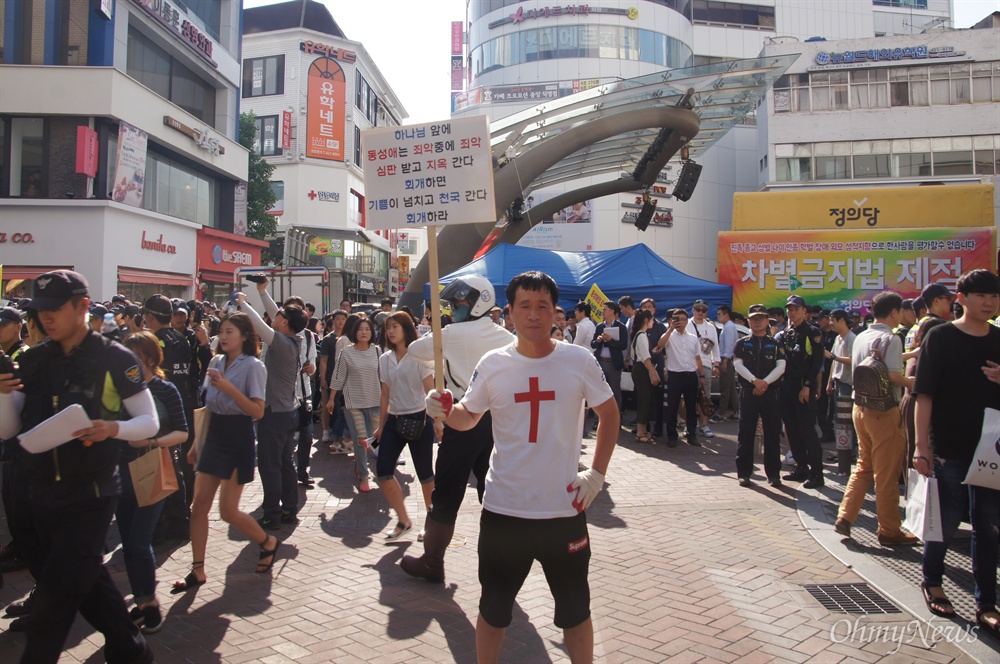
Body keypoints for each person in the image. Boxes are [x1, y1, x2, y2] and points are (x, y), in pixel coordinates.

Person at [424, 270, 618, 664]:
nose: (533, 314)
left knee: (575, 611)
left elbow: (610, 413)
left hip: (564, 510)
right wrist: (442, 409)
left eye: (542, 306)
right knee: (493, 610)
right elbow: (468, 416)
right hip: (504, 512)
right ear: (508, 312)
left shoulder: (578, 361)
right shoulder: (494, 364)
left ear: (554, 312)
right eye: (524, 306)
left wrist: (596, 475)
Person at [0, 270, 158, 664]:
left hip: (92, 492)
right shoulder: (34, 359)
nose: (46, 318)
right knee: (88, 581)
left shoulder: (115, 358)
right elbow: (9, 428)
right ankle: (131, 649)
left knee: (53, 600)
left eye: (55, 309)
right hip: (38, 493)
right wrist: (2, 395)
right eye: (40, 311)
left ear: (83, 307)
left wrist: (112, 428)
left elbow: (149, 422)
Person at [400, 274, 515, 583]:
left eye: (460, 303)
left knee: (447, 493)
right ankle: (502, 564)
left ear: (479, 303)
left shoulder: (450, 334)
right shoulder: (506, 337)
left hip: (462, 415)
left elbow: (414, 350)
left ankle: (432, 561)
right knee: (493, 492)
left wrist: (439, 331)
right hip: (497, 420)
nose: (455, 308)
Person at [913, 269, 1000, 637]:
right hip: (948, 445)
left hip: (991, 449)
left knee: (989, 527)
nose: (990, 302)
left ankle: (986, 603)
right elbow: (925, 394)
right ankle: (933, 580)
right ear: (960, 299)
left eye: (995, 296)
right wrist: (920, 447)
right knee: (945, 521)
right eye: (982, 295)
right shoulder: (941, 337)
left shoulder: (999, 339)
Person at [173, 312, 279, 594]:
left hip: (238, 437)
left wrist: (229, 388)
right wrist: (197, 443)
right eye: (222, 331)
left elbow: (257, 410)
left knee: (228, 511)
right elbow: (208, 406)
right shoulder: (215, 361)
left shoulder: (254, 366)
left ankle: (267, 541)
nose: (224, 336)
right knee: (198, 507)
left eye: (230, 331)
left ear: (245, 335)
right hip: (214, 435)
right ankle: (198, 569)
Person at [834, 291, 918, 547]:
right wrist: (914, 381)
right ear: (895, 312)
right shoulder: (890, 338)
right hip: (884, 411)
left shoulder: (863, 336)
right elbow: (893, 376)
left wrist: (912, 354)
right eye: (901, 312)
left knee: (864, 466)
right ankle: (889, 530)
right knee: (886, 473)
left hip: (861, 408)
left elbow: (880, 363)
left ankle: (845, 516)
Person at [118, 331, 189, 633]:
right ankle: (141, 601)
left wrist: (150, 440)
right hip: (120, 473)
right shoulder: (119, 390)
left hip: (153, 469)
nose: (129, 362)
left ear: (149, 357)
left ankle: (149, 604)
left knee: (138, 541)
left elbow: (183, 433)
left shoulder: (165, 389)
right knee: (128, 544)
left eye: (134, 355)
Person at [238, 280, 305, 530]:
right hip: (288, 413)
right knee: (286, 464)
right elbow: (273, 316)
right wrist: (262, 292)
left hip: (275, 415)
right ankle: (288, 510)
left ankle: (271, 514)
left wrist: (244, 304)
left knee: (271, 467)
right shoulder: (293, 341)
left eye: (279, 315)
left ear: (285, 323)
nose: (274, 315)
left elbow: (260, 324)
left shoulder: (282, 343)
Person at [373, 312, 435, 541]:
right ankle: (403, 520)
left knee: (425, 475)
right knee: (383, 470)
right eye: (387, 327)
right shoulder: (384, 358)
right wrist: (380, 426)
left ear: (406, 328)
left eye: (395, 326)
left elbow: (431, 390)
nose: (390, 331)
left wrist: (438, 420)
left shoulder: (419, 356)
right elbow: (385, 395)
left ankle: (432, 523)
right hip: (394, 420)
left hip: (420, 418)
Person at [733, 304, 786, 486]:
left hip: (771, 394)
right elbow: (738, 365)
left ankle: (773, 475)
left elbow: (781, 367)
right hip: (748, 393)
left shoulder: (776, 343)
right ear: (748, 321)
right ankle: (744, 473)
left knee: (772, 435)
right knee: (745, 434)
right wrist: (755, 381)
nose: (757, 322)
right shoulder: (742, 343)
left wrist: (765, 383)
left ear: (766, 321)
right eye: (753, 319)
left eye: (760, 318)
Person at [777, 295, 826, 488]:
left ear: (804, 311)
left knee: (807, 430)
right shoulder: (787, 332)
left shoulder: (812, 332)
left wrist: (808, 385)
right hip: (787, 386)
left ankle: (817, 473)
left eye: (796, 309)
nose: (792, 312)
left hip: (803, 386)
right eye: (789, 309)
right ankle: (801, 467)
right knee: (791, 428)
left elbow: (817, 362)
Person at [328, 317, 381, 492]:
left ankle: (360, 464)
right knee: (361, 440)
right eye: (360, 329)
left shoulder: (377, 351)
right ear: (354, 332)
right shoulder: (347, 352)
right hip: (353, 403)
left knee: (372, 440)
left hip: (375, 401)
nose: (364, 332)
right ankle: (364, 476)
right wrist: (331, 398)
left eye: (367, 329)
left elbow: (383, 377)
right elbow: (338, 376)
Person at [656, 308, 703, 447]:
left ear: (687, 321)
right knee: (672, 407)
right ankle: (672, 436)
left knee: (690, 407)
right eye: (677, 319)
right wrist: (670, 329)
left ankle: (692, 435)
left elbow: (698, 358)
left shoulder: (693, 338)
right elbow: (660, 345)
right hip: (674, 376)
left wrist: (701, 375)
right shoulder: (669, 335)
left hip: (690, 376)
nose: (680, 322)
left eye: (683, 319)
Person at [825, 309, 857, 476]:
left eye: (833, 320)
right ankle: (845, 452)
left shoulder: (852, 339)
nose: (831, 323)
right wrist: (830, 381)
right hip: (837, 383)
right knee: (840, 421)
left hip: (847, 385)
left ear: (842, 320)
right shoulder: (838, 338)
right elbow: (833, 362)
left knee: (847, 422)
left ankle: (852, 454)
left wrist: (832, 357)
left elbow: (853, 360)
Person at [690, 299, 720, 438]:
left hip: (706, 365)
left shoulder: (711, 327)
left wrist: (716, 364)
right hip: (689, 365)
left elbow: (715, 347)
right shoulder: (688, 324)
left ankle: (704, 424)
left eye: (703, 310)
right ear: (693, 310)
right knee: (688, 396)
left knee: (705, 396)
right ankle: (688, 424)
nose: (700, 312)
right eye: (698, 309)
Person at [591, 300, 628, 414]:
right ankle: (600, 419)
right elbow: (592, 343)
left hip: (613, 363)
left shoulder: (620, 327)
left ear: (612, 311)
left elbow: (623, 345)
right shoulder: (600, 326)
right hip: (601, 361)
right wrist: (598, 340)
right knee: (600, 391)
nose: (602, 312)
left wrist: (610, 340)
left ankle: (616, 419)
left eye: (604, 309)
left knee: (615, 391)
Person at [629, 309, 659, 443]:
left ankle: (644, 430)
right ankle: (640, 432)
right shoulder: (641, 335)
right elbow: (645, 358)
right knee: (644, 400)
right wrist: (653, 373)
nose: (653, 322)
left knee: (645, 399)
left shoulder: (639, 335)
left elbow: (644, 354)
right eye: (651, 319)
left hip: (639, 368)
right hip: (641, 369)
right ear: (646, 320)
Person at [318, 309, 348, 443]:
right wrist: (323, 378)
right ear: (333, 321)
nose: (340, 321)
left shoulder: (349, 338)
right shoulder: (328, 339)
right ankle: (329, 431)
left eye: (343, 319)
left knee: (342, 406)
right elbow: (323, 360)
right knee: (331, 404)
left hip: (347, 379)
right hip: (331, 377)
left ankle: (338, 432)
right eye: (338, 319)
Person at [639, 298, 667, 436]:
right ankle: (644, 427)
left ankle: (658, 428)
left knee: (658, 398)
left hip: (656, 365)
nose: (647, 309)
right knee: (644, 398)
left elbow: (665, 348)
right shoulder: (638, 326)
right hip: (643, 366)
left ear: (654, 310)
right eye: (644, 307)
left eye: (649, 307)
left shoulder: (660, 327)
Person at [905, 282, 954, 350]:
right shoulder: (935, 324)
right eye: (948, 298)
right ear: (936, 301)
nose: (950, 302)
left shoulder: (916, 326)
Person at [714, 305, 740, 422]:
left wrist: (725, 361)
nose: (718, 316)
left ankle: (721, 413)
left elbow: (729, 345)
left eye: (719, 314)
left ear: (726, 314)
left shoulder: (729, 327)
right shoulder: (727, 326)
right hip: (727, 360)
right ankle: (737, 411)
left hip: (727, 360)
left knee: (725, 387)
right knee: (731, 388)